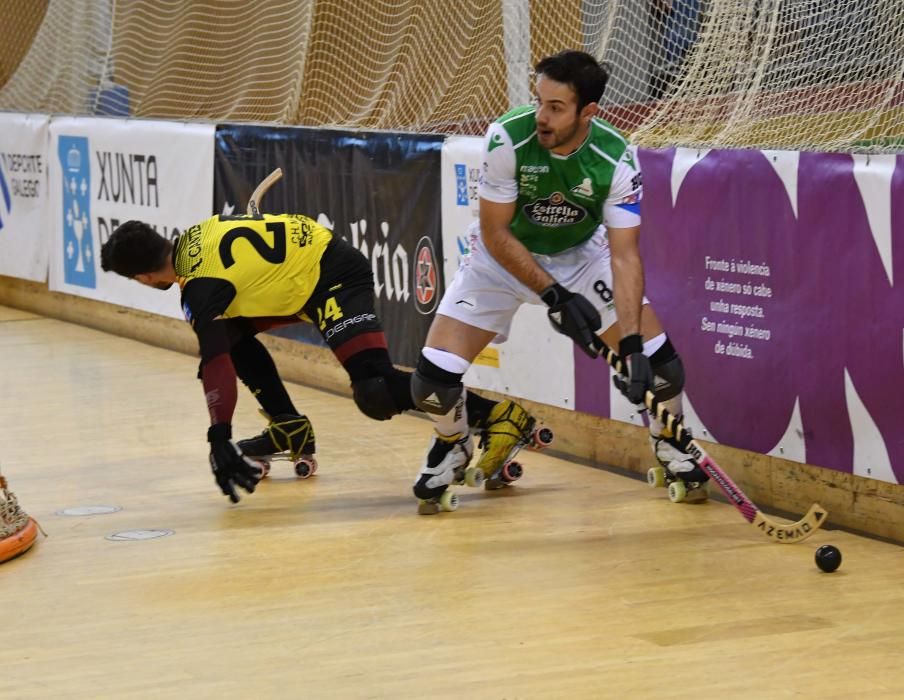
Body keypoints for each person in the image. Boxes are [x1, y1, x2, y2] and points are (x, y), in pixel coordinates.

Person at [409, 49, 709, 510]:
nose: (541, 117)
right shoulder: (507, 138)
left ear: (588, 111)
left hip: (581, 257)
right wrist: (553, 294)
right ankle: (454, 441)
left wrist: (629, 343)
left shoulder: (616, 160)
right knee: (431, 382)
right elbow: (494, 232)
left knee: (661, 367)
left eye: (556, 108)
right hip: (501, 256)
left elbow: (626, 256)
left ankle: (669, 443)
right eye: (539, 102)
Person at [100, 211, 504, 504]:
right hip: (311, 268)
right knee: (228, 333)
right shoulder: (199, 233)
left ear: (143, 278)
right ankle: (288, 425)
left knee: (375, 391)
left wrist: (218, 435)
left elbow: (215, 366)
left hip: (333, 277)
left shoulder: (198, 290)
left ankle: (496, 415)